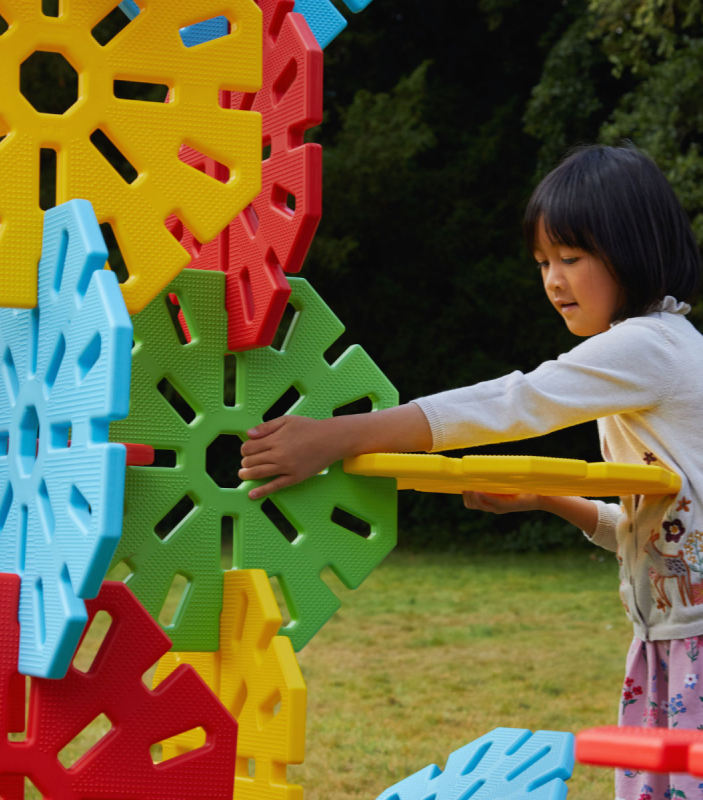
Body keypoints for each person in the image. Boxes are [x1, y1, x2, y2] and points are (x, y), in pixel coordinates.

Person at [239, 144, 703, 800]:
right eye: (543, 262)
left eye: (571, 258)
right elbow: (647, 528)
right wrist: (548, 497)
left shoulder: (647, 347)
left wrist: (339, 436)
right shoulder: (647, 361)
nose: (553, 281)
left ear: (633, 249)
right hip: (666, 640)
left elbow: (510, 403)